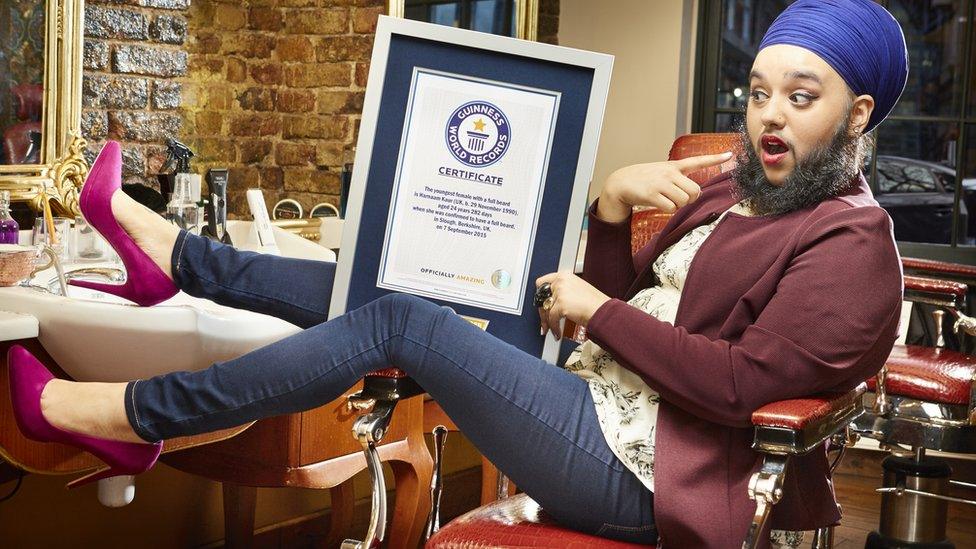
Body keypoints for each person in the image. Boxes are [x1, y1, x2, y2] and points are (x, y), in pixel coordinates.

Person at [7, 0, 907, 546]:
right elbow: (610, 309)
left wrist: (595, 310)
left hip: (648, 473)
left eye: (802, 96)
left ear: (857, 111)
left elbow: (738, 382)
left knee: (403, 321)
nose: (769, 119)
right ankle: (173, 256)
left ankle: (125, 415)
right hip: (587, 402)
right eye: (758, 93)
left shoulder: (853, 246)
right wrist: (606, 210)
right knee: (391, 275)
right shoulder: (736, 193)